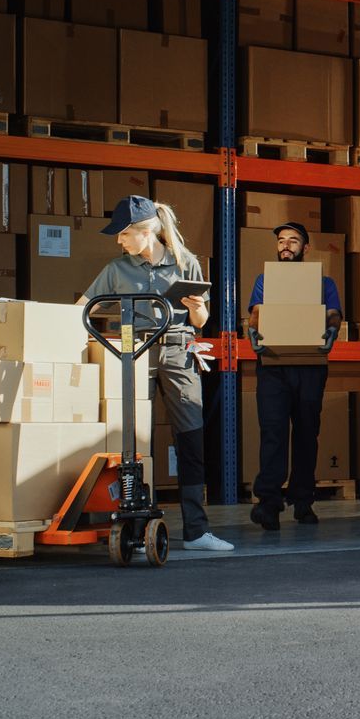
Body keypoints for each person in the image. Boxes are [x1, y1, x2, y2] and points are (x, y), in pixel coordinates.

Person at [81, 194, 234, 552]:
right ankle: (137, 528)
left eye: (123, 234)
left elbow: (201, 321)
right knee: (135, 441)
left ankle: (196, 532)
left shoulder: (186, 264)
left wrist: (197, 309)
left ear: (145, 232)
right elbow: (81, 310)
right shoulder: (117, 270)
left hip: (180, 351)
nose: (119, 241)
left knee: (190, 436)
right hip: (135, 352)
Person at [245, 221, 343, 530]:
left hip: (310, 366)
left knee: (305, 434)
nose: (286, 245)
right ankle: (269, 504)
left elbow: (333, 313)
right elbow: (257, 311)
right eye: (282, 240)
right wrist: (252, 330)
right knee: (273, 432)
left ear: (305, 248)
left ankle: (303, 502)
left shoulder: (323, 283)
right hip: (273, 365)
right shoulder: (266, 280)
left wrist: (331, 329)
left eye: (293, 240)